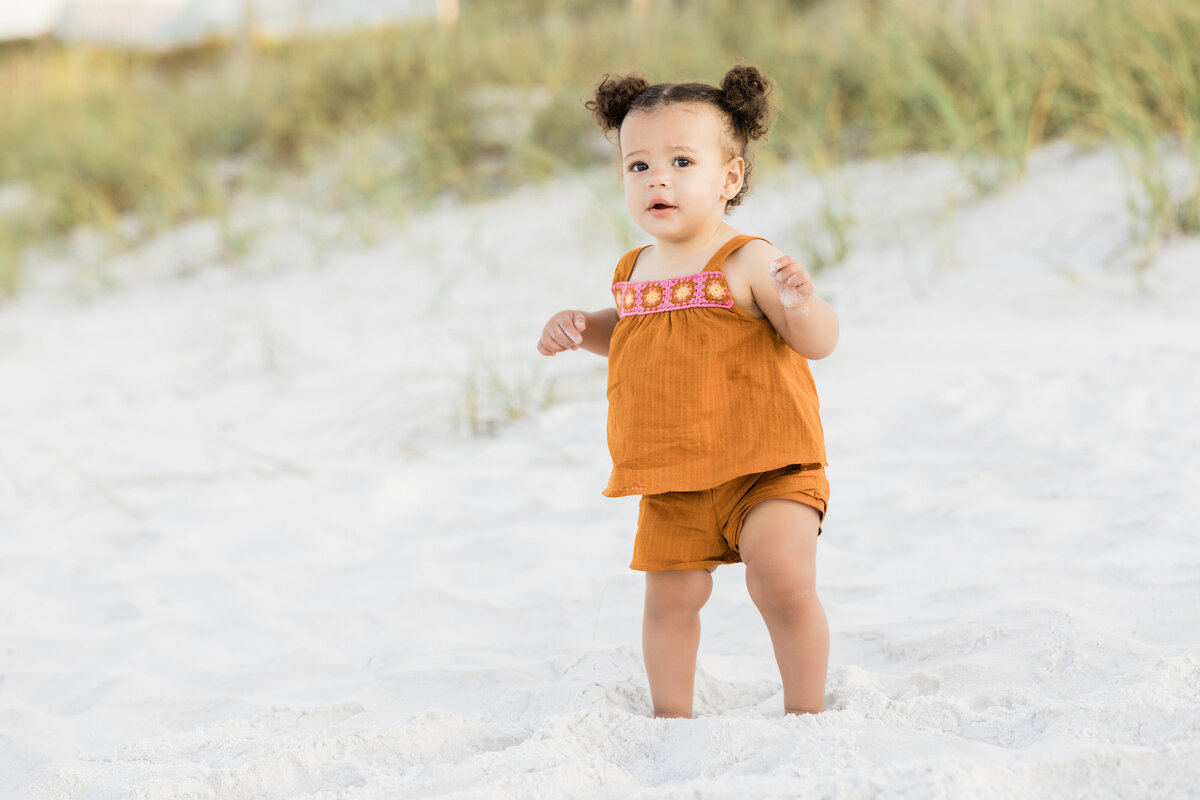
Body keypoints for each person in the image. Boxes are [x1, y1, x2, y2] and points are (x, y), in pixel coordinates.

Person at [536, 65, 839, 718]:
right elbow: (634, 334)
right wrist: (582, 326)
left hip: (769, 461)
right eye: (638, 165)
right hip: (674, 473)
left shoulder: (747, 259)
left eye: (680, 160)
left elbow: (816, 341)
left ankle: (807, 712)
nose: (657, 179)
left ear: (729, 178)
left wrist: (803, 303)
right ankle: (671, 718)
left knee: (782, 581)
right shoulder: (634, 269)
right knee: (669, 601)